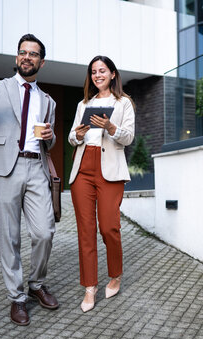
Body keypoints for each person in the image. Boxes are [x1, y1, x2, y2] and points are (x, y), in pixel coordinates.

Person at [0, 34, 59, 326]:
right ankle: (17, 299)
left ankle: (36, 284)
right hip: (5, 167)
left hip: (37, 169)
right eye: (23, 52)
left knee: (44, 231)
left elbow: (52, 140)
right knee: (10, 236)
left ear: (41, 62)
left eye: (33, 54)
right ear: (16, 57)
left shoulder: (48, 101)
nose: (27, 57)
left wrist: (51, 136)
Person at [68, 55, 135, 312]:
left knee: (109, 227)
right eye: (94, 72)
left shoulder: (124, 103)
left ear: (113, 74)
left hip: (110, 170)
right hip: (83, 168)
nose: (98, 75)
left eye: (102, 71)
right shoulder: (83, 104)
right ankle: (89, 287)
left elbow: (128, 138)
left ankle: (115, 274)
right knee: (86, 230)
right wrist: (78, 134)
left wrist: (109, 126)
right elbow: (72, 138)